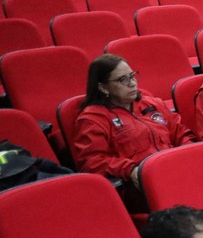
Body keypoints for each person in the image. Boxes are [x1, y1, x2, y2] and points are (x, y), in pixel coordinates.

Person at [74, 54, 195, 190]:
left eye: (132, 76)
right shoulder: (93, 119)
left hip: (174, 169)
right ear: (103, 87)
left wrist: (189, 155)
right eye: (122, 80)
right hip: (137, 184)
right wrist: (129, 170)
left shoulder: (151, 103)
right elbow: (92, 163)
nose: (132, 83)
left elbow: (180, 133)